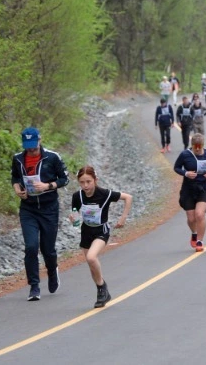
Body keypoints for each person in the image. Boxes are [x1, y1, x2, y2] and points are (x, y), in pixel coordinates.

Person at [11, 128, 69, 301]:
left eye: (34, 146)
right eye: (28, 147)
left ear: (40, 140)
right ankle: (34, 287)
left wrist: (47, 186)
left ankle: (52, 271)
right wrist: (16, 189)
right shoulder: (18, 158)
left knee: (48, 249)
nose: (31, 150)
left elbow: (64, 179)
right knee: (31, 246)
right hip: (28, 209)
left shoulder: (52, 157)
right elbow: (14, 177)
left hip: (49, 208)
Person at [69, 166, 132, 308]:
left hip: (101, 231)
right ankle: (102, 291)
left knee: (91, 257)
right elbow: (76, 215)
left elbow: (128, 197)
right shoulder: (77, 196)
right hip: (86, 232)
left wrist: (123, 217)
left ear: (95, 180)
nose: (85, 186)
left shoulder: (105, 194)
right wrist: (74, 220)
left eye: (88, 182)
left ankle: (102, 286)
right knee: (92, 265)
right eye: (82, 182)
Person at [173, 133, 206, 253]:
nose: (198, 150)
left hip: (204, 187)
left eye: (200, 147)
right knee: (191, 217)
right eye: (195, 147)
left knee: (199, 214)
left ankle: (200, 241)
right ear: (192, 146)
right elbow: (176, 167)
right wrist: (186, 173)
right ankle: (194, 233)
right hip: (189, 188)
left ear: (203, 145)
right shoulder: (185, 155)